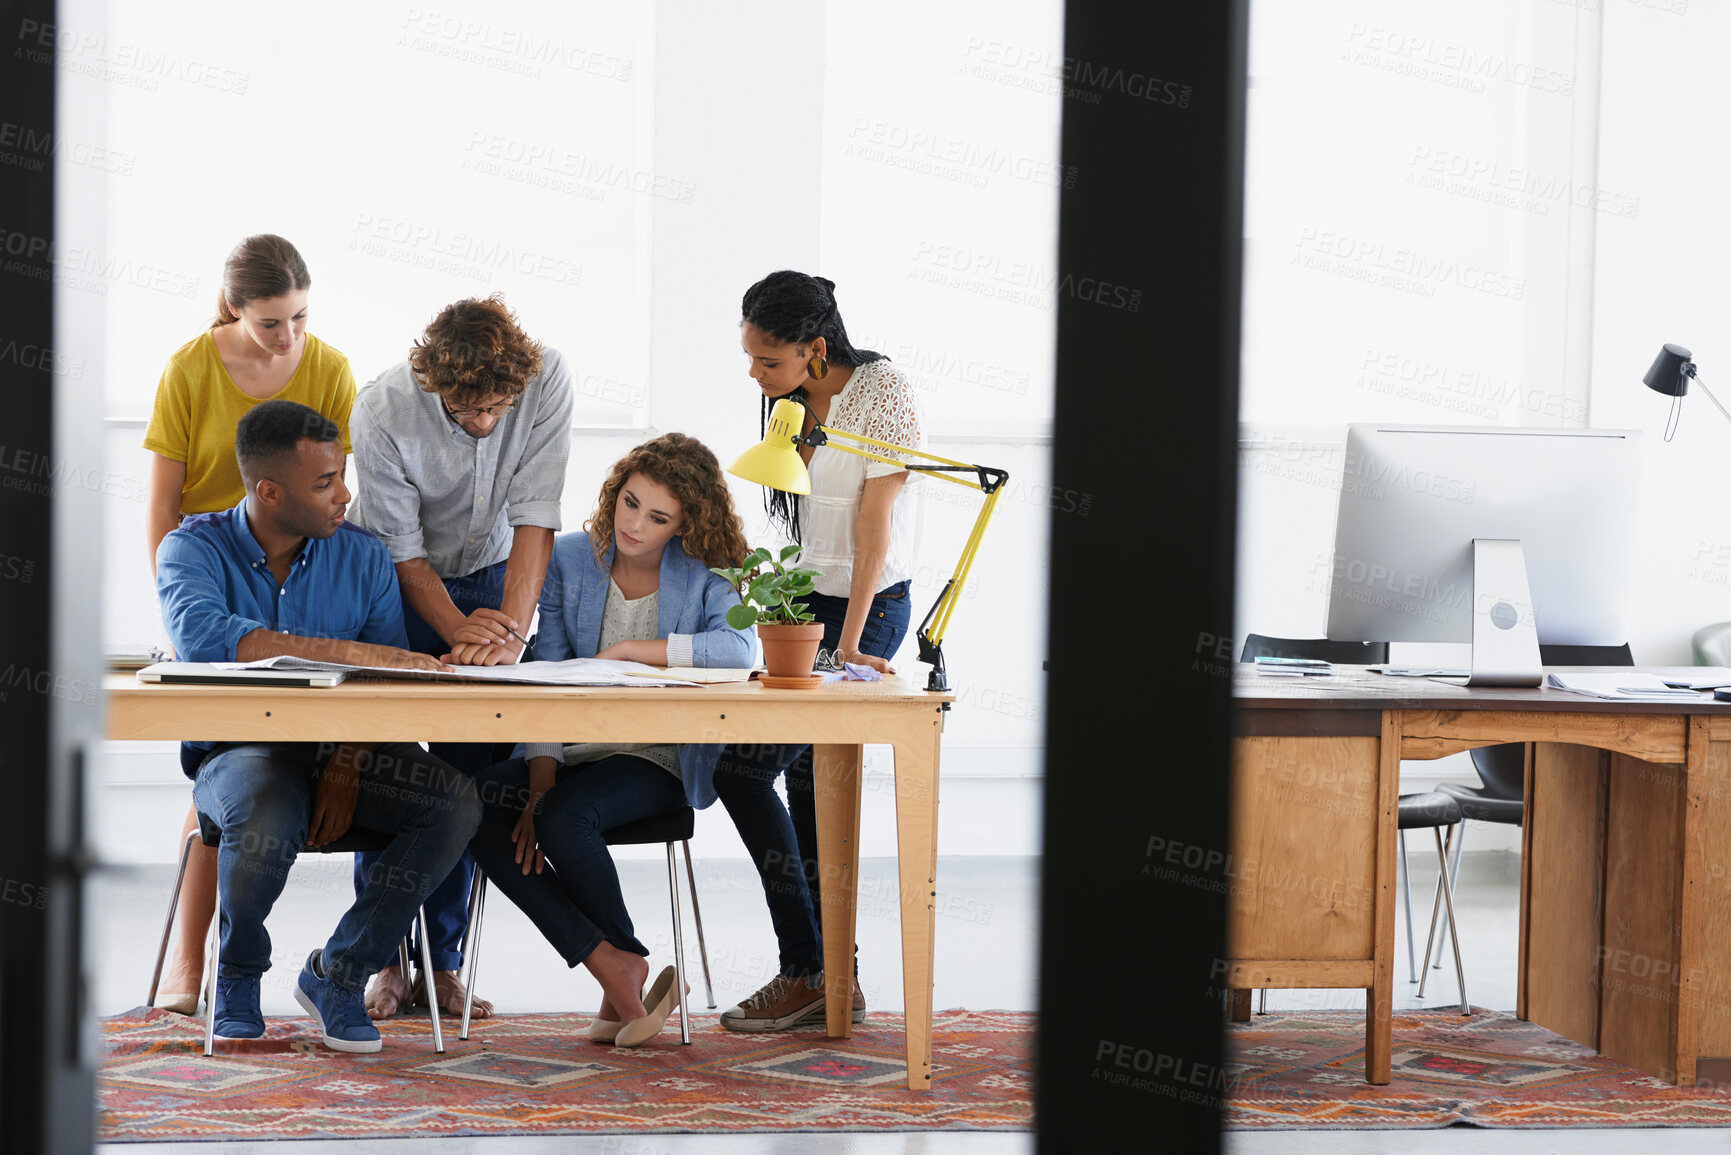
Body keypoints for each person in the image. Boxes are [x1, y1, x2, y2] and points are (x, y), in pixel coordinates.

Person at [155, 400, 480, 1052]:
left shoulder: (363, 557)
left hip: (344, 749)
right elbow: (208, 641)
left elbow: (385, 686)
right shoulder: (191, 548)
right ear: (268, 491)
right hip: (238, 752)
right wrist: (362, 653)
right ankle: (240, 972)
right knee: (265, 810)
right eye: (325, 482)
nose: (346, 495)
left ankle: (341, 970)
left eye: (342, 475)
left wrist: (350, 755)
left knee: (454, 801)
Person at [467, 433, 757, 1047]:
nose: (635, 524)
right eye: (630, 503)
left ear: (685, 523)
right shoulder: (573, 557)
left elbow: (737, 651)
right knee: (471, 803)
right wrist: (540, 774)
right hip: (573, 752)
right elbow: (545, 670)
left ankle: (617, 971)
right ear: (614, 493)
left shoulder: (706, 570)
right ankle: (613, 960)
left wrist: (631, 652)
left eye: (658, 517)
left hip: (658, 759)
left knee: (565, 817)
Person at [142, 234, 358, 1017]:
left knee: (276, 755)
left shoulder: (329, 367)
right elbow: (165, 509)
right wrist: (178, 609)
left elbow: (332, 486)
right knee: (221, 768)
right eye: (272, 322)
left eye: (300, 317)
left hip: (290, 564)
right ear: (235, 307)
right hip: (207, 564)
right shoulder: (189, 367)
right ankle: (187, 963)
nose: (290, 337)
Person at [347, 294, 573, 1021]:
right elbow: (400, 552)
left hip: (493, 577)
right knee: (390, 769)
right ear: (432, 380)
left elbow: (537, 515)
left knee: (470, 779)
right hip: (391, 580)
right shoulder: (381, 407)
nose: (482, 422)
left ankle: (442, 963)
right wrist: (457, 632)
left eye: (495, 408)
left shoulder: (547, 379)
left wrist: (507, 632)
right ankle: (385, 956)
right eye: (464, 410)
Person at [711, 270, 925, 1031]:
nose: (755, 375)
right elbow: (800, 519)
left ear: (816, 346)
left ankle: (815, 972)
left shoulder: (881, 391)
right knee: (760, 772)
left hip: (868, 606)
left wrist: (850, 644)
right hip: (805, 600)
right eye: (752, 358)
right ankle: (824, 973)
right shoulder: (790, 398)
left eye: (768, 361)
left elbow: (872, 528)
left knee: (790, 777)